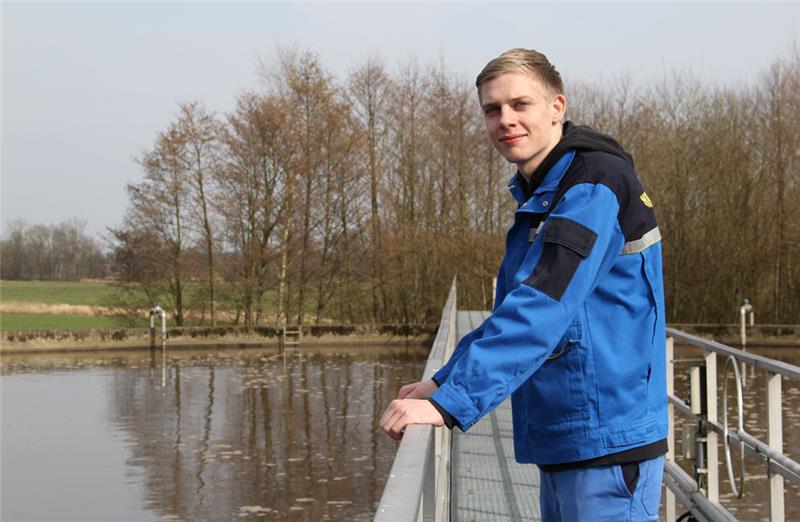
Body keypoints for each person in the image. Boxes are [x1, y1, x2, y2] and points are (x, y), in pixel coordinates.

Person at [379, 48, 667, 521]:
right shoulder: (547, 191)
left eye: (520, 104)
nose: (505, 120)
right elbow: (514, 310)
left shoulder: (592, 186)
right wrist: (441, 380)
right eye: (492, 109)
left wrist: (450, 404)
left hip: (605, 441)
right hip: (572, 436)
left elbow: (541, 308)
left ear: (557, 107)